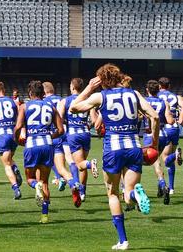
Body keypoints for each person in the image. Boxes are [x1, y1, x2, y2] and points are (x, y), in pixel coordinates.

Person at [69, 64, 159, 250]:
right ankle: (135, 194)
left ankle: (123, 241)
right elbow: (155, 117)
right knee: (128, 193)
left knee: (113, 194)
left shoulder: (99, 95)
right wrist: (154, 145)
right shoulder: (134, 94)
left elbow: (73, 108)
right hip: (134, 147)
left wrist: (89, 88)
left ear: (101, 80)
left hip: (113, 149)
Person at [14, 80, 65, 224]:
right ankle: (44, 215)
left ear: (30, 93)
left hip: (32, 145)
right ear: (42, 93)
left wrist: (16, 139)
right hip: (47, 145)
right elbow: (61, 130)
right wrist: (50, 136)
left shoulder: (25, 106)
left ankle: (35, 185)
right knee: (45, 182)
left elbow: (18, 126)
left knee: (30, 179)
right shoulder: (51, 106)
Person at [57, 78, 98, 205]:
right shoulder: (88, 100)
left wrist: (66, 122)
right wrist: (88, 126)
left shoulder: (66, 100)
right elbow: (94, 119)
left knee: (79, 164)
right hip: (85, 133)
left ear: (72, 87)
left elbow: (59, 116)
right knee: (82, 165)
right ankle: (83, 192)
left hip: (73, 134)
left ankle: (91, 164)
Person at [0, 81, 23, 200]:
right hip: (13, 135)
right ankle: (15, 168)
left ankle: (15, 188)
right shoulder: (14, 102)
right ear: (4, 90)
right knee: (10, 159)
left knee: (6, 164)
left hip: (2, 134)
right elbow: (18, 119)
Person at [142, 80, 175, 205]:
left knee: (139, 162)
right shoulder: (164, 102)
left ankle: (129, 190)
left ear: (147, 90)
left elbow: (139, 116)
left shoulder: (144, 101)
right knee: (156, 161)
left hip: (150, 135)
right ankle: (162, 186)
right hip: (163, 135)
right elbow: (170, 120)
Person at [43, 81, 77, 198]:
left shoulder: (44, 103)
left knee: (51, 159)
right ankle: (74, 181)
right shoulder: (62, 99)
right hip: (65, 131)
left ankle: (61, 177)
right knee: (69, 158)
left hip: (54, 133)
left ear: (44, 91)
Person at [157, 77, 183, 195]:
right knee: (170, 160)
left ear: (159, 86)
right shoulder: (176, 96)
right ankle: (171, 188)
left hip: (165, 127)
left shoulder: (157, 96)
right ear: (169, 85)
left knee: (163, 158)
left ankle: (163, 186)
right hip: (175, 127)